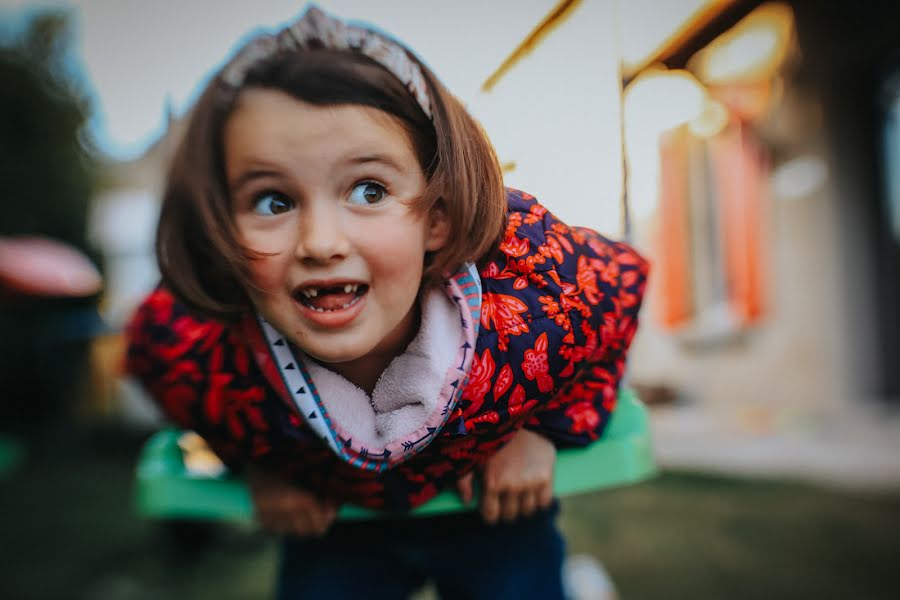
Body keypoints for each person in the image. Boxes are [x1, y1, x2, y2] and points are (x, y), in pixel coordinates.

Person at [125, 5, 648, 599]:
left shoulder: (531, 291)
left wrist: (545, 431)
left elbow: (619, 287)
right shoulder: (204, 346)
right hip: (336, 524)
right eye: (273, 201)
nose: (321, 243)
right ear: (221, 230)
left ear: (438, 219)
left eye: (368, 190)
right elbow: (155, 358)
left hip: (492, 510)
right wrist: (256, 466)